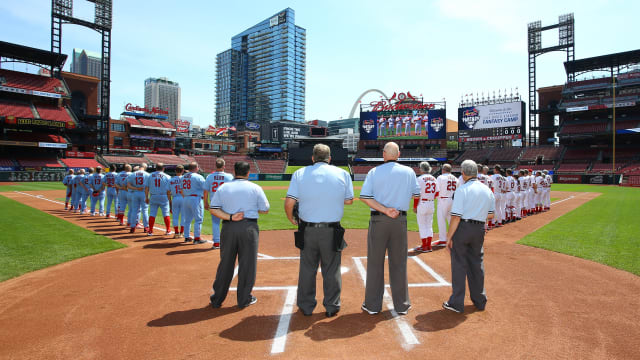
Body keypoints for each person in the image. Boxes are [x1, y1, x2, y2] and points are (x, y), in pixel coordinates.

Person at [285, 144, 354, 317]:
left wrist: (291, 219)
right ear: (329, 158)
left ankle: (306, 307)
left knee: (308, 269)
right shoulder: (342, 173)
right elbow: (349, 201)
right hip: (331, 230)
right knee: (331, 269)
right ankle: (332, 306)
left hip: (307, 229)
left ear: (313, 157)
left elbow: (289, 203)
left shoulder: (300, 173)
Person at [359, 142, 420, 315]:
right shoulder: (409, 172)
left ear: (384, 154)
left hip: (379, 220)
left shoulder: (374, 171)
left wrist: (385, 209)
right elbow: (417, 194)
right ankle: (402, 305)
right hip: (399, 220)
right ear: (399, 154)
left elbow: (364, 197)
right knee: (399, 263)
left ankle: (372, 306)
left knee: (375, 263)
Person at [209, 161, 270, 309]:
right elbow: (265, 209)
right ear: (248, 173)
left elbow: (213, 209)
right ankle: (244, 299)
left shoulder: (223, 187)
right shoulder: (255, 188)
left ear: (234, 172)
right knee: (247, 264)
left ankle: (217, 299)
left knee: (225, 263)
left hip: (229, 227)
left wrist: (230, 217)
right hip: (249, 227)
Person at [442, 159, 495, 314]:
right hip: (479, 228)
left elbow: (456, 217)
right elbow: (491, 215)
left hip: (463, 227)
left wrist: (449, 238)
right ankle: (480, 300)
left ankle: (456, 302)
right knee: (477, 264)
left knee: (459, 264)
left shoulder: (462, 189)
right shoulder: (487, 190)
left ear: (463, 173)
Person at [204, 159, 234, 249]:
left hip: (214, 202)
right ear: (224, 166)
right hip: (226, 202)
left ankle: (216, 243)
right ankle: (229, 241)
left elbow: (205, 191)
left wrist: (205, 202)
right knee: (228, 222)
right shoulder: (229, 177)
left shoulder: (209, 176)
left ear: (216, 166)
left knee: (215, 223)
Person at [412, 161, 437, 253]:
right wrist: (430, 197)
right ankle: (429, 245)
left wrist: (415, 206)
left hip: (422, 203)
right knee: (429, 225)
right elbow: (437, 193)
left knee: (422, 226)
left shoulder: (419, 179)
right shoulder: (434, 178)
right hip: (431, 203)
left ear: (422, 169)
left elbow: (417, 194)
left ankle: (424, 246)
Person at [182, 162, 206, 244]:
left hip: (186, 198)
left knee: (187, 219)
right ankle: (197, 238)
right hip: (195, 198)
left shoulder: (183, 177)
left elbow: (181, 189)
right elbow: (205, 187)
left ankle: (186, 237)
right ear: (196, 168)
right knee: (198, 219)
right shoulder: (198, 176)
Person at [433, 164, 457, 247]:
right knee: (451, 219)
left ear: (443, 169)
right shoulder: (455, 178)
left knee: (441, 220)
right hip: (453, 200)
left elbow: (437, 190)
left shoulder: (441, 177)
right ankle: (453, 237)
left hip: (443, 199)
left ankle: (443, 239)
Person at [146, 163, 173, 236]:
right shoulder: (167, 176)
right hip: (164, 196)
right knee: (166, 213)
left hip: (153, 196)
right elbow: (169, 190)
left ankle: (150, 231)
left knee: (152, 213)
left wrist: (146, 197)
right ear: (163, 168)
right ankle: (168, 230)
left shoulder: (150, 175)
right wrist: (170, 198)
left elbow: (147, 188)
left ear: (156, 168)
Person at [127, 164, 150, 233]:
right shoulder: (147, 174)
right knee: (145, 210)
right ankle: (146, 227)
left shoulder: (132, 174)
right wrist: (147, 196)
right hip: (143, 193)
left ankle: (132, 227)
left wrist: (136, 188)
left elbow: (128, 185)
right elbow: (148, 187)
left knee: (134, 210)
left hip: (135, 192)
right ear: (144, 167)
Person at [170, 165, 185, 238]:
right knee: (183, 216)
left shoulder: (171, 180)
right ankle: (181, 233)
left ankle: (176, 233)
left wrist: (170, 201)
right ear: (183, 171)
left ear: (175, 171)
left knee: (175, 216)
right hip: (183, 198)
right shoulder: (185, 178)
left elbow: (168, 192)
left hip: (175, 198)